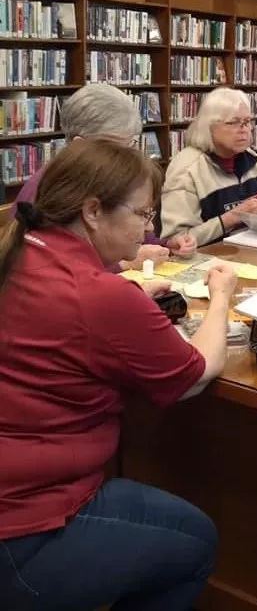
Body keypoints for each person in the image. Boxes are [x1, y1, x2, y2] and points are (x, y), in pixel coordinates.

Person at [0, 139, 239, 609]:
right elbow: (198, 373)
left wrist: (128, 310)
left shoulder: (21, 250)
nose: (147, 230)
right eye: (142, 215)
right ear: (92, 211)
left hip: (15, 491)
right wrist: (222, 296)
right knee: (197, 543)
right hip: (24, 527)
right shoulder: (100, 296)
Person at [13, 83, 196, 267]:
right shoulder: (48, 191)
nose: (126, 158)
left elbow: (131, 232)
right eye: (113, 150)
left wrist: (164, 246)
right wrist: (123, 265)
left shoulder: (103, 179)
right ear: (79, 146)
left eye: (130, 145)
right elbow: (47, 272)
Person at [161, 87, 257, 248]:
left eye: (247, 122)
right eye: (233, 122)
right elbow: (176, 240)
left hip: (254, 252)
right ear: (209, 127)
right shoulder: (187, 169)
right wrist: (232, 218)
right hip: (207, 261)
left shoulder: (254, 160)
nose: (244, 129)